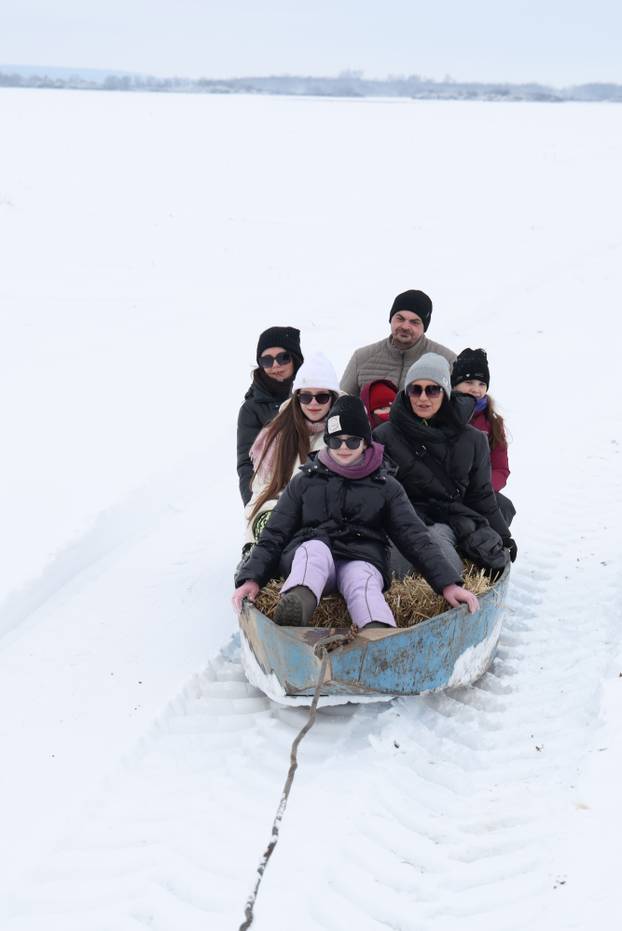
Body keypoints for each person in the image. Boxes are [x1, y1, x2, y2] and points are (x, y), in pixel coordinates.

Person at [232, 396, 479, 629]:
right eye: (336, 440)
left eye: (352, 441)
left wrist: (448, 585)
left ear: (365, 442)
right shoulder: (305, 481)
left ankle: (377, 633)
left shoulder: (386, 487)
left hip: (362, 557)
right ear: (327, 442)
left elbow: (415, 537)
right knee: (312, 551)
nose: (343, 448)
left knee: (362, 581)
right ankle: (297, 603)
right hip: (315, 556)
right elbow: (275, 532)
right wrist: (251, 578)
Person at [374, 353, 517, 575]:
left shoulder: (473, 439)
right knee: (394, 564)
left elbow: (481, 495)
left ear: (446, 392)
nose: (423, 398)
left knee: (444, 559)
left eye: (432, 390)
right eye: (416, 389)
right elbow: (379, 491)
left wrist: (504, 536)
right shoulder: (384, 436)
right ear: (406, 393)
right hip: (404, 518)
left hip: (450, 519)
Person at [245, 353, 340, 543]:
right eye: (306, 396)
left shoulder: (347, 434)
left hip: (333, 527)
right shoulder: (278, 434)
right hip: (284, 522)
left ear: (333, 398)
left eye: (321, 397)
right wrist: (264, 525)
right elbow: (261, 492)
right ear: (297, 397)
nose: (313, 403)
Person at [339, 289, 456, 395]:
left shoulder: (448, 361)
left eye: (414, 322)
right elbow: (340, 405)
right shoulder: (361, 358)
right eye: (400, 319)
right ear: (391, 319)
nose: (405, 326)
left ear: (424, 327)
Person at [236, 326, 303, 505]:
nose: (275, 366)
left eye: (282, 358)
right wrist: (256, 507)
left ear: (295, 359)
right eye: (267, 360)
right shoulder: (252, 409)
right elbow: (246, 464)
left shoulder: (314, 396)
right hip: (275, 495)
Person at [451, 347, 515, 525]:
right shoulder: (442, 414)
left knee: (503, 507)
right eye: (469, 382)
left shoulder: (493, 422)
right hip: (445, 491)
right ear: (455, 384)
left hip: (480, 491)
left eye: (481, 384)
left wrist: (482, 489)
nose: (476, 389)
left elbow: (501, 468)